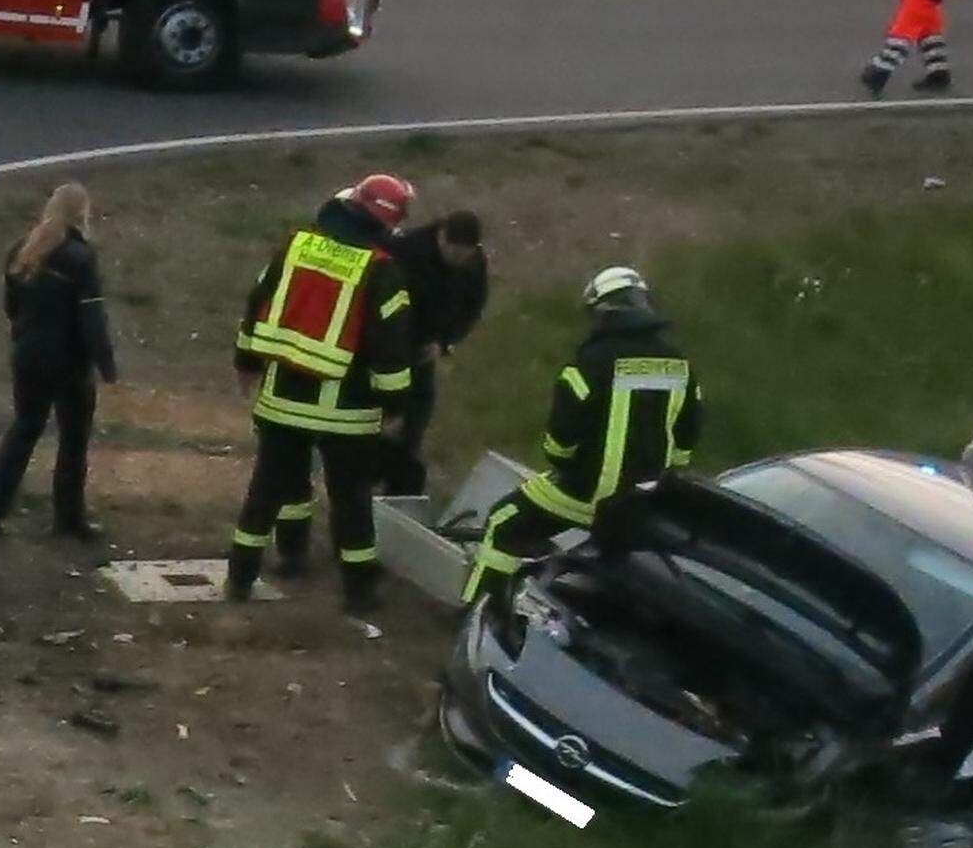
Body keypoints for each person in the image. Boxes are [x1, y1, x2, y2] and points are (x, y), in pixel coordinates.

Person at [226, 172, 422, 613]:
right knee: (351, 504)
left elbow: (258, 303)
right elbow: (391, 345)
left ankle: (240, 578)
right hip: (348, 415)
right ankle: (359, 594)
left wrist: (247, 363)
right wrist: (395, 403)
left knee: (264, 494)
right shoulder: (380, 270)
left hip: (281, 401)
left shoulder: (295, 247)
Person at [465, 265, 706, 602]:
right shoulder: (679, 363)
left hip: (589, 492)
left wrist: (565, 466)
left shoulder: (590, 361)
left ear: (603, 309)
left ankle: (478, 613)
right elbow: (687, 435)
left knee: (504, 522)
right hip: (645, 501)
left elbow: (561, 442)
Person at [0, 183, 120, 539]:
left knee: (24, 429)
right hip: (68, 362)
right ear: (81, 215)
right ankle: (68, 519)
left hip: (28, 355)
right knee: (73, 439)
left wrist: (23, 335)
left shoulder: (22, 250)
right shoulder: (81, 258)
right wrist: (106, 365)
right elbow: (91, 318)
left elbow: (12, 305)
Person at [381, 208, 489, 499]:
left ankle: (397, 495)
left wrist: (444, 342)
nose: (457, 260)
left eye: (463, 255)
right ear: (441, 236)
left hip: (423, 354)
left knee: (413, 425)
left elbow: (472, 307)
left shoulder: (474, 264)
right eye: (452, 252)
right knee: (381, 420)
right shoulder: (406, 251)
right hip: (388, 352)